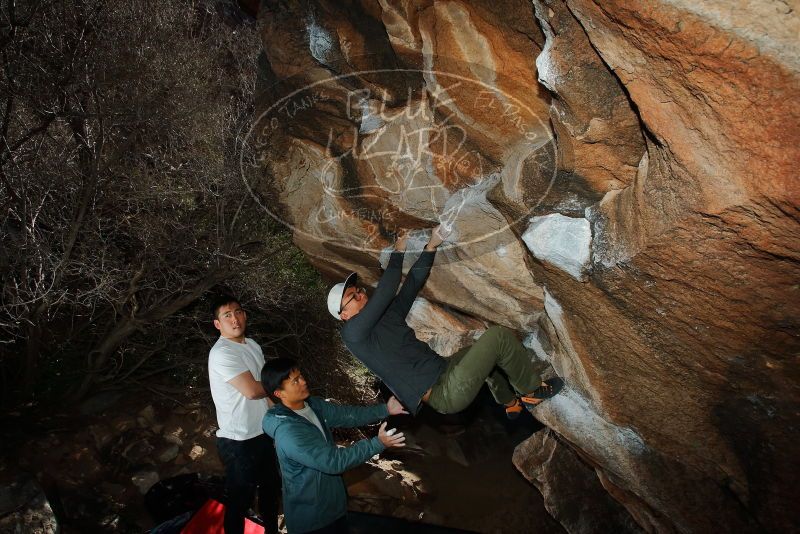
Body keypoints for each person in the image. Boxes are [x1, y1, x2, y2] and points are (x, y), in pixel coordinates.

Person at [326, 225, 563, 420]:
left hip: (444, 369)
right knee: (498, 338)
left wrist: (431, 246)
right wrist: (398, 252)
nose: (360, 294)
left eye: (358, 290)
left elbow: (412, 284)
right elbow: (387, 289)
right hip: (444, 393)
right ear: (344, 315)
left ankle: (510, 403)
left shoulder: (387, 317)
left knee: (482, 353)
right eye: (352, 297)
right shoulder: (353, 335)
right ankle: (531, 391)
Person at [261, 358, 407, 534]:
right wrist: (377, 443)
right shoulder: (289, 431)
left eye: (300, 376)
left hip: (333, 508)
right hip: (311, 519)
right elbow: (333, 462)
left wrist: (385, 410)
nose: (304, 381)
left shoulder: (312, 405)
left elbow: (348, 415)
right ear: (279, 393)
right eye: (295, 381)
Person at [208, 294, 281, 534]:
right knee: (239, 502)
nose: (235, 319)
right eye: (226, 315)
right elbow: (251, 390)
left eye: (238, 312)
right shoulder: (222, 353)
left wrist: (278, 419)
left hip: (264, 433)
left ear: (245, 315)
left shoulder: (252, 345)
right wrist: (284, 387)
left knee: (271, 491)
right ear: (218, 324)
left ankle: (271, 530)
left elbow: (264, 389)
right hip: (238, 441)